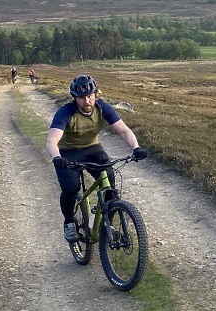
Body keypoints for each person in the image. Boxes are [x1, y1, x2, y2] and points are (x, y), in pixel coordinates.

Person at [47, 74, 147, 242]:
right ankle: (69, 223)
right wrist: (57, 157)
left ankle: (107, 222)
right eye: (81, 98)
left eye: (89, 96)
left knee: (109, 183)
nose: (86, 101)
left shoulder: (103, 108)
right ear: (75, 98)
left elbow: (123, 130)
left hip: (93, 148)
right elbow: (52, 140)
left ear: (95, 95)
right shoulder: (66, 112)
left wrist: (136, 147)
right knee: (71, 188)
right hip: (67, 152)